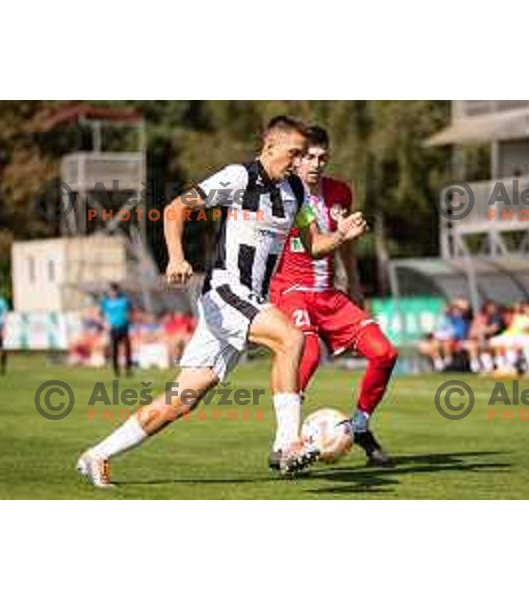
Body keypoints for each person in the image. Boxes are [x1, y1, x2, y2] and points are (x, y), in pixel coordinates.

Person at [77, 116, 368, 487]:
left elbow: (314, 246)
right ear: (269, 147)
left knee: (181, 400)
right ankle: (287, 445)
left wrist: (340, 234)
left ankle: (96, 455)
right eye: (293, 154)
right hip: (226, 292)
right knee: (292, 338)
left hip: (247, 301)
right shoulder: (238, 177)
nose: (298, 162)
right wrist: (176, 257)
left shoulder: (296, 190)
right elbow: (175, 209)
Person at [269, 125, 398, 468]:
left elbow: (346, 245)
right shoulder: (283, 192)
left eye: (322, 157)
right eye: (309, 157)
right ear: (295, 158)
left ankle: (360, 426)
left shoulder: (340, 192)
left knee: (384, 353)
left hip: (329, 295)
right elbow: (314, 245)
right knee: (307, 354)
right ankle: (286, 442)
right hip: (291, 292)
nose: (316, 164)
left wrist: (354, 284)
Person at [100, 283, 133, 376]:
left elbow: (130, 311)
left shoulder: (124, 300)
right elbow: (102, 314)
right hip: (113, 328)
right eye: (111, 291)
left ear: (117, 291)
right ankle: (116, 370)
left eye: (114, 291)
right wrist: (105, 323)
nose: (112, 293)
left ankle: (128, 369)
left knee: (127, 349)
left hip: (123, 327)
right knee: (114, 350)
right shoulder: (106, 302)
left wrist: (129, 318)